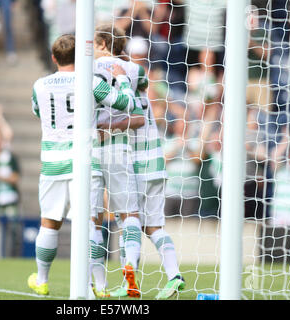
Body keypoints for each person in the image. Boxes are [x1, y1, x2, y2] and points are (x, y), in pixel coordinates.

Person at [27, 34, 137, 296]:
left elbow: (37, 112)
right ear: (81, 57)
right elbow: (127, 104)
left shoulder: (40, 85)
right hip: (84, 161)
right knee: (88, 225)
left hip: (53, 161)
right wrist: (121, 78)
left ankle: (42, 280)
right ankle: (98, 286)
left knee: (49, 222)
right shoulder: (91, 82)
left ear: (54, 58)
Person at [93, 24, 185, 300]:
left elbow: (131, 115)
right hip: (156, 158)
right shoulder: (138, 74)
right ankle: (174, 276)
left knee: (127, 219)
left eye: (95, 44)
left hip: (132, 160)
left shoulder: (100, 73)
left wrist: (105, 125)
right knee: (153, 226)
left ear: (103, 45)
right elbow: (142, 100)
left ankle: (129, 277)